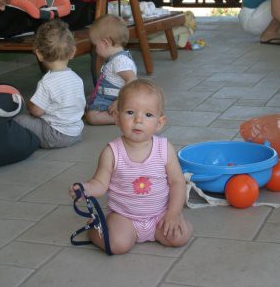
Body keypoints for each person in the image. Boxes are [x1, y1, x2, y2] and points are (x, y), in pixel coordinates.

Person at [69, 79, 192, 254]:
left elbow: (177, 183)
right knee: (118, 245)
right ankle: (94, 228)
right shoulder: (112, 152)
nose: (138, 120)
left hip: (159, 215)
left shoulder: (165, 149)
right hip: (124, 218)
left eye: (148, 115)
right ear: (117, 118)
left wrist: (173, 213)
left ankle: (176, 218)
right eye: (130, 112)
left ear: (159, 123)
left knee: (180, 237)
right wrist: (85, 188)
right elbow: (100, 183)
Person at [13, 19, 86, 148]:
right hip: (76, 133)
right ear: (73, 52)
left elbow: (36, 111)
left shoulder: (47, 82)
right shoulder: (77, 78)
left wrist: (29, 104)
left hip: (55, 135)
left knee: (19, 120)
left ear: (39, 54)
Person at [84, 14, 137, 125]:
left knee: (92, 117)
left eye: (95, 45)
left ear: (105, 43)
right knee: (87, 105)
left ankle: (121, 119)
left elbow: (132, 80)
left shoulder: (120, 60)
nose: (95, 49)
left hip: (115, 99)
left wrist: (120, 102)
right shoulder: (115, 59)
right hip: (107, 97)